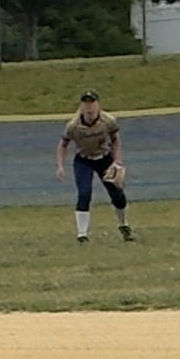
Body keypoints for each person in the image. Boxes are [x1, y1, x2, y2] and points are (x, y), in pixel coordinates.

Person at [55, 89, 133, 245]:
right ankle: (82, 235)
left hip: (104, 158)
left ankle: (124, 225)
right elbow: (63, 145)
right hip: (84, 160)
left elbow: (115, 140)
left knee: (117, 194)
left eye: (92, 103)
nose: (89, 108)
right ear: (81, 106)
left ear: (98, 105)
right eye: (86, 104)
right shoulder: (73, 125)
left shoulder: (108, 121)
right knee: (84, 193)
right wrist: (60, 166)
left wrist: (117, 161)